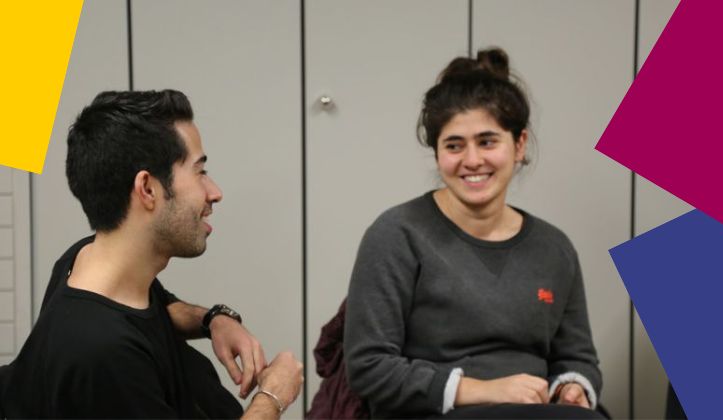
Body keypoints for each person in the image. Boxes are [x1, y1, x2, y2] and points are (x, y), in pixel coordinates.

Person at [0, 90, 302, 418]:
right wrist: (273, 396)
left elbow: (154, 310)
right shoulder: (102, 355)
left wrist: (213, 319)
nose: (214, 192)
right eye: (199, 172)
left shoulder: (88, 261)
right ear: (147, 189)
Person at [343, 48, 604, 419]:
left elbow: (577, 357)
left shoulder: (554, 247)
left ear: (519, 145)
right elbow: (369, 367)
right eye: (454, 145)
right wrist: (484, 390)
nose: (472, 160)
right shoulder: (397, 234)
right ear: (437, 153)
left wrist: (571, 387)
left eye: (487, 141)